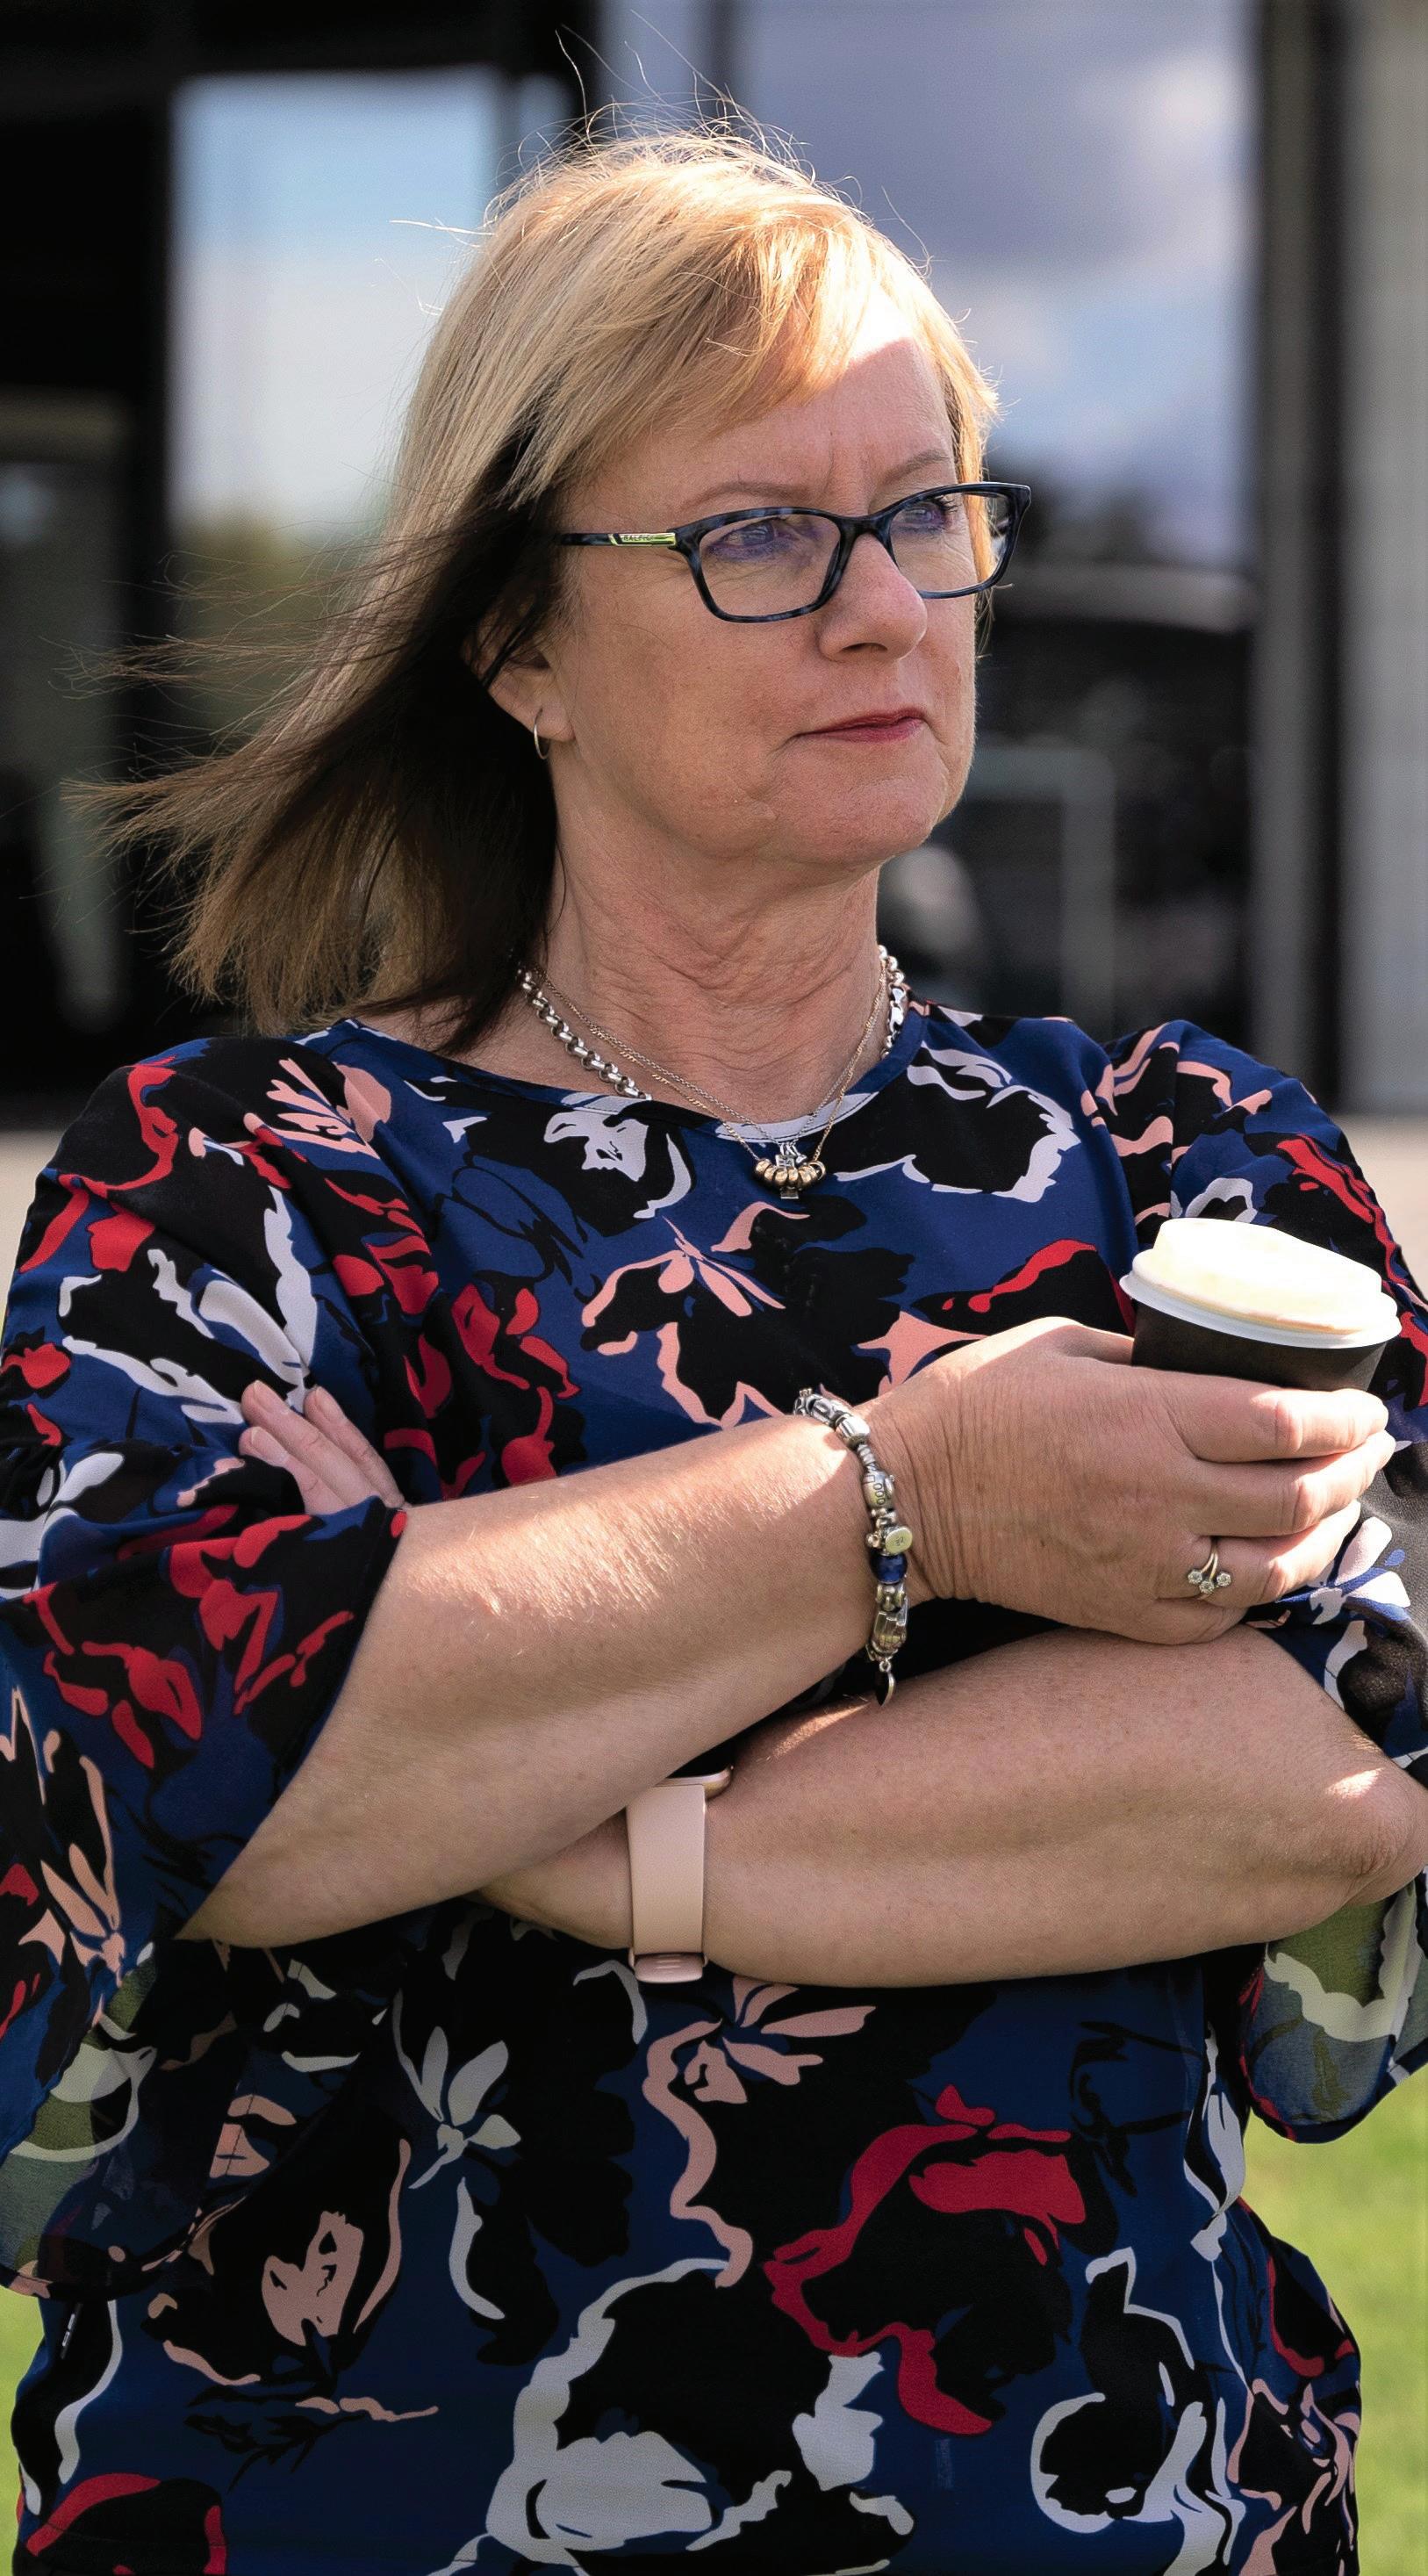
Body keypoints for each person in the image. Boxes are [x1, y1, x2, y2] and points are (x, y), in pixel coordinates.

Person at [0, 122, 1424, 2576]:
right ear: (515, 642)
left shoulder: (1176, 1174)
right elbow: (138, 1775)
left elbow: (1334, 1768)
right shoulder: (240, 1191)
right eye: (760, 535)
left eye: (926, 515)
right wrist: (929, 1506)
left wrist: (543, 1788)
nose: (884, 610)